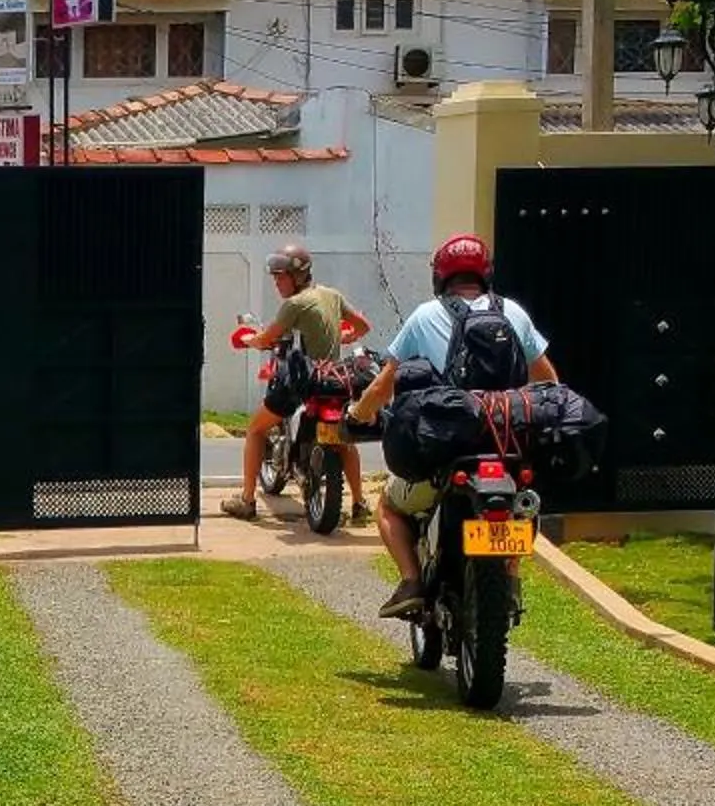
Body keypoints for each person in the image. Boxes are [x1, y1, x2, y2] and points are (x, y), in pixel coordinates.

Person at [347, 233, 559, 619]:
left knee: (389, 506)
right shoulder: (514, 313)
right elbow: (547, 381)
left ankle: (412, 581)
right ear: (486, 273)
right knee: (522, 510)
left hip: (446, 454)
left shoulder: (425, 315)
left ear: (440, 275)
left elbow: (383, 385)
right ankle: (509, 576)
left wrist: (357, 415)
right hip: (505, 448)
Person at [221, 245, 374, 525]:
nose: (277, 282)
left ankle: (247, 500)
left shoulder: (294, 305)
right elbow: (364, 326)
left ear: (298, 276)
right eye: (275, 277)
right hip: (336, 381)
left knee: (255, 429)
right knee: (344, 441)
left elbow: (268, 338)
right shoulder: (332, 295)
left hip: (305, 382)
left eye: (281, 277)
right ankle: (360, 504)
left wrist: (248, 340)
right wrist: (347, 336)